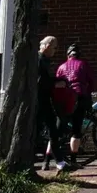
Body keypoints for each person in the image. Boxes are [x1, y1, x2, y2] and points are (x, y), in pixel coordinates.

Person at [56, 43, 97, 163]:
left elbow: (57, 84)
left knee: (57, 131)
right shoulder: (83, 64)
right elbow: (91, 81)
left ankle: (47, 160)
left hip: (65, 99)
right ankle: (73, 160)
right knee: (76, 129)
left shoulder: (61, 67)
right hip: (79, 97)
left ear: (68, 55)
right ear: (78, 55)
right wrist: (88, 93)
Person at [38, 35, 67, 171]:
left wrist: (59, 80)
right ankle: (58, 162)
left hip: (45, 99)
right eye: (54, 48)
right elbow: (40, 81)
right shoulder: (39, 60)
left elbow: (46, 79)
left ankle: (60, 162)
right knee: (47, 130)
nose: (55, 51)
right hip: (39, 101)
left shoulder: (44, 60)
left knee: (53, 131)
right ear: (48, 46)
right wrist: (56, 84)